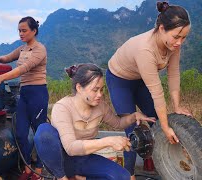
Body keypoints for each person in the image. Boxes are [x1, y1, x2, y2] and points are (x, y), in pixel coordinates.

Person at [105, 2, 191, 179]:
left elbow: (174, 74)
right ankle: (129, 173)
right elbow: (157, 92)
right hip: (119, 80)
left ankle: (150, 156)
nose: (179, 42)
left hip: (139, 79)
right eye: (176, 37)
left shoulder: (173, 44)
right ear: (161, 29)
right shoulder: (145, 50)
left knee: (155, 118)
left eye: (184, 37)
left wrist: (176, 107)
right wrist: (166, 128)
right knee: (132, 129)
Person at [34, 63, 155, 180]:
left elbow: (118, 123)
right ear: (79, 88)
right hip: (61, 161)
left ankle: (80, 178)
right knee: (44, 132)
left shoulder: (100, 107)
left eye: (101, 90)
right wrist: (108, 141)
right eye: (95, 90)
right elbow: (71, 148)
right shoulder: (63, 107)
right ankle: (61, 177)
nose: (99, 95)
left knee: (122, 176)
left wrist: (134, 116)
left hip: (84, 159)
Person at [0, 16, 48, 180]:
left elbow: (22, 70)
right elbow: (7, 58)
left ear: (34, 31)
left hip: (38, 92)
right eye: (19, 30)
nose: (21, 33)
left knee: (39, 133)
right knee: (20, 133)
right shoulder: (21, 49)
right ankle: (27, 168)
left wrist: (0, 78)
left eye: (24, 30)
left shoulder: (39, 50)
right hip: (24, 93)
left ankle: (38, 171)